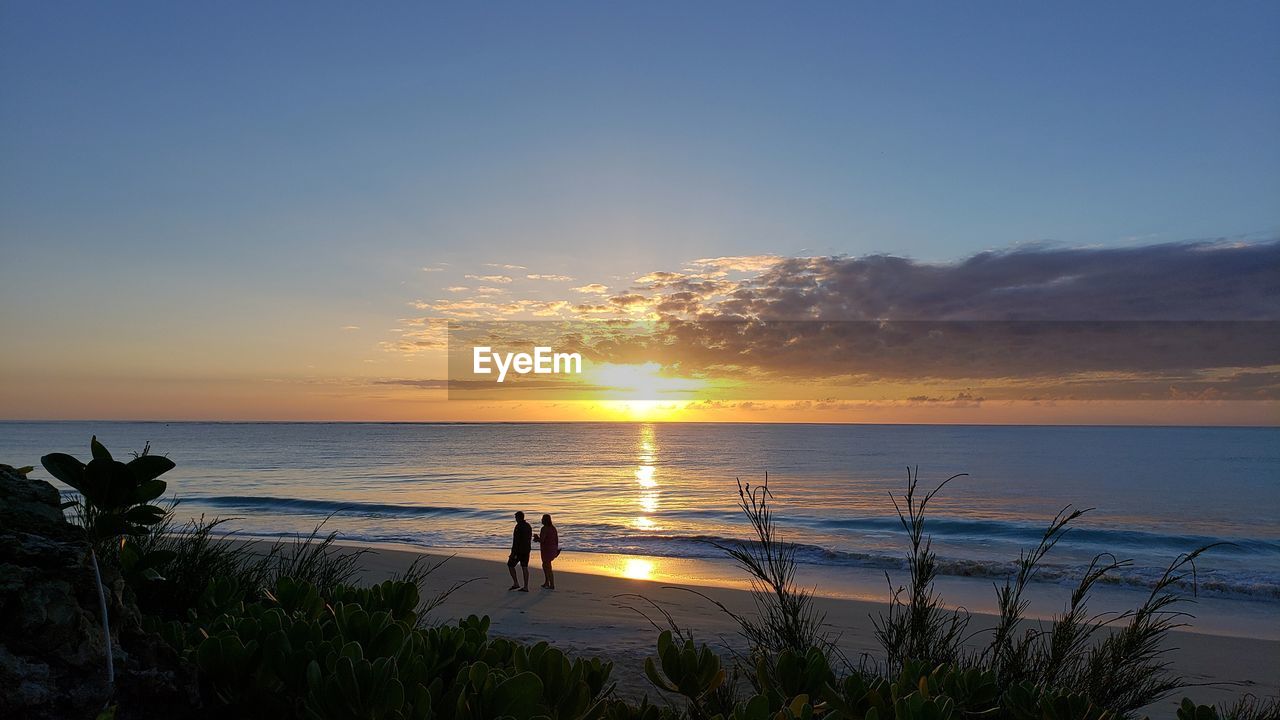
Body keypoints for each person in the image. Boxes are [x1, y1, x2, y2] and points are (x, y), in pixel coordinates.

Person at [507, 511, 533, 592]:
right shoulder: (528, 526)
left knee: (510, 565)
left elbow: (516, 541)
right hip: (526, 549)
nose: (515, 519)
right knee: (524, 567)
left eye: (516, 517)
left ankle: (516, 583)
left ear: (519, 518)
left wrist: (513, 553)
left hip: (518, 551)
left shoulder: (518, 526)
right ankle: (526, 586)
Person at [533, 513, 560, 590]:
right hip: (552, 549)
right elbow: (556, 539)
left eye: (542, 519)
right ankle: (547, 582)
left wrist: (536, 538)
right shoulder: (553, 528)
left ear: (545, 520)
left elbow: (542, 540)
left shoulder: (544, 528)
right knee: (546, 565)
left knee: (547, 566)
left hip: (546, 549)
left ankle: (551, 584)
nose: (541, 520)